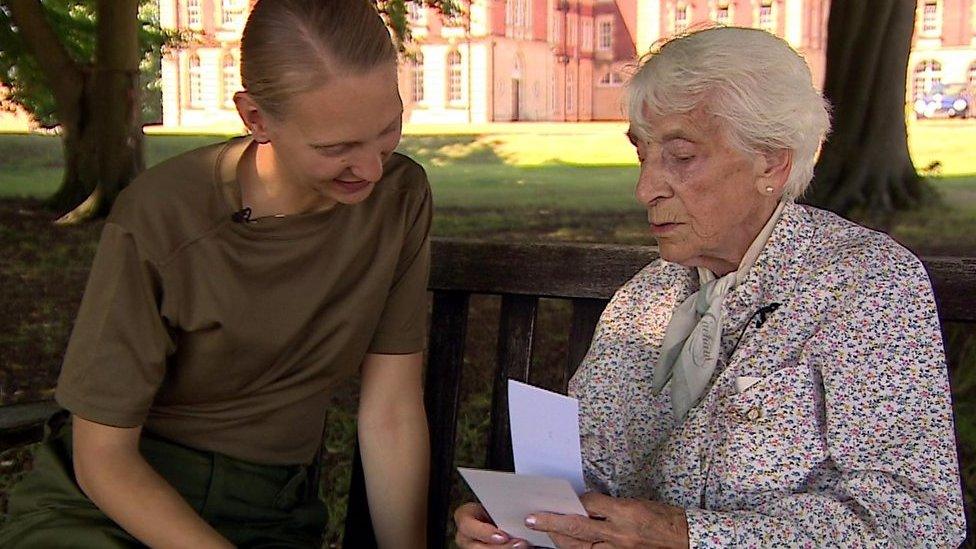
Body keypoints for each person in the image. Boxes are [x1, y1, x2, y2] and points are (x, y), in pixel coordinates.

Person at [455, 26, 966, 548]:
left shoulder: (865, 286)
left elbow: (918, 521)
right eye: (642, 154)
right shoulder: (648, 294)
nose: (645, 188)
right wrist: (524, 520)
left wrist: (689, 536)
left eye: (680, 156)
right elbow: (590, 469)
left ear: (772, 160)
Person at [0, 1, 430, 547]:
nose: (371, 168)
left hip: (265, 514)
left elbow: (390, 412)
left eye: (387, 129)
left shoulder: (400, 197)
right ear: (255, 118)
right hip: (108, 510)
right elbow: (103, 460)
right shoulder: (162, 216)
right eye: (336, 148)